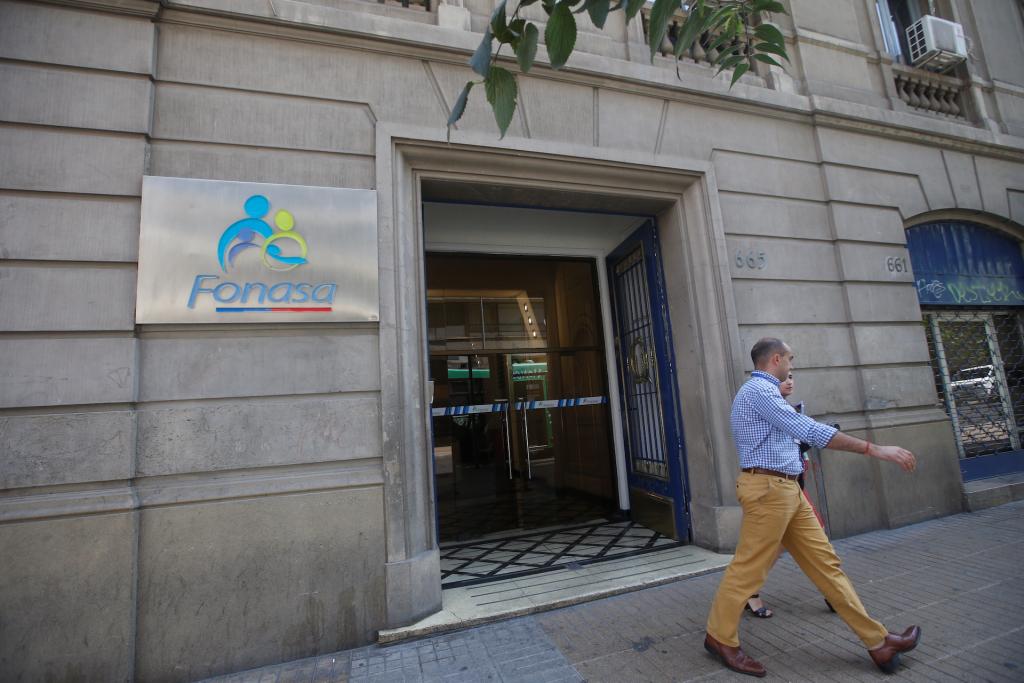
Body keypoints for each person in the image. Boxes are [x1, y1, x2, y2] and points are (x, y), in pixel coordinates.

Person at [703, 338, 921, 678]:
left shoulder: (769, 394)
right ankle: (719, 637)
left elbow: (796, 434)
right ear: (776, 359)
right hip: (769, 491)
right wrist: (874, 449)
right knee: (748, 570)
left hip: (787, 489)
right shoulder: (759, 391)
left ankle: (878, 642)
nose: (792, 365)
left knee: (826, 565)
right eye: (790, 359)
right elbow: (807, 430)